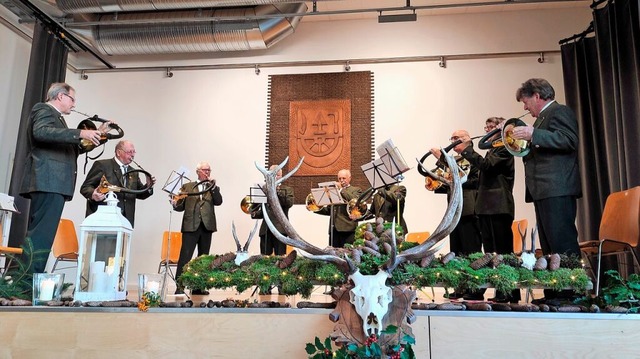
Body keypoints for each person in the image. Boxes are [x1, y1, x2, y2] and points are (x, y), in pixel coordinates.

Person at [19, 82, 113, 274]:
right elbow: (41, 132)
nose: (74, 104)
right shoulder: (43, 109)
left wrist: (98, 135)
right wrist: (80, 132)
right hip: (48, 181)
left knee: (42, 236)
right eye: (72, 99)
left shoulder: (57, 119)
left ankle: (25, 283)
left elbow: (72, 149)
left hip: (53, 183)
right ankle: (23, 285)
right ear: (60, 96)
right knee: (40, 236)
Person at [511, 78, 581, 304]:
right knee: (550, 244)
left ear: (538, 96)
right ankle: (555, 292)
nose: (524, 107)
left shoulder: (559, 111)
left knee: (562, 241)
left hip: (557, 187)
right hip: (544, 189)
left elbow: (569, 140)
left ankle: (570, 292)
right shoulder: (541, 119)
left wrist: (534, 135)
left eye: (526, 101)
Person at [459, 117, 520, 303]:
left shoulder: (504, 146)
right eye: (487, 127)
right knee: (490, 252)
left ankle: (509, 291)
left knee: (502, 251)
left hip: (498, 205)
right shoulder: (494, 149)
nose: (487, 130)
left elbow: (487, 166)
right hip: (487, 206)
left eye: (492, 127)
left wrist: (467, 150)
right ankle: (501, 290)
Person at [430, 130, 482, 299]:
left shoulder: (474, 158)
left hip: (469, 208)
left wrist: (444, 162)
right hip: (454, 210)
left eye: (456, 138)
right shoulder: (456, 160)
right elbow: (452, 182)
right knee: (456, 250)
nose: (452, 141)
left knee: (470, 250)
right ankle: (460, 286)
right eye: (451, 138)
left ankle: (474, 288)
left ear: (466, 140)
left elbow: (474, 180)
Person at [171, 161, 223, 295]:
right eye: (205, 170)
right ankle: (180, 286)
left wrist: (213, 187)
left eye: (209, 170)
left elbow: (218, 201)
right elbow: (180, 206)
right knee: (185, 256)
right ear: (198, 171)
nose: (207, 172)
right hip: (191, 225)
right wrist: (174, 204)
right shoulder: (187, 186)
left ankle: (198, 287)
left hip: (207, 226)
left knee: (203, 258)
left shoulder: (213, 187)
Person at [80, 140, 155, 227]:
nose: (133, 155)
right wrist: (93, 194)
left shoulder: (133, 172)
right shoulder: (102, 165)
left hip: (125, 221)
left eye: (134, 152)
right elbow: (85, 187)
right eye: (129, 152)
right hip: (103, 219)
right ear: (119, 152)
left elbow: (140, 194)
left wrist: (149, 186)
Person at [315, 169, 363, 248]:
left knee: (348, 254)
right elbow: (329, 210)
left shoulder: (356, 190)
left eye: (343, 178)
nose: (341, 180)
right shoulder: (333, 191)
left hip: (348, 229)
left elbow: (354, 200)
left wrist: (341, 189)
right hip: (334, 229)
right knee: (334, 254)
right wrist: (316, 208)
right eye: (339, 178)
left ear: (349, 178)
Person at [253, 165, 295, 256]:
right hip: (265, 229)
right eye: (273, 175)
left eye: (278, 175)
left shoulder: (287, 190)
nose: (275, 177)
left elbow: (288, 204)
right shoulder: (263, 189)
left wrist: (277, 191)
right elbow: (264, 211)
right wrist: (254, 213)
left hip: (280, 229)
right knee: (264, 258)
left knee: (280, 257)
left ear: (282, 176)